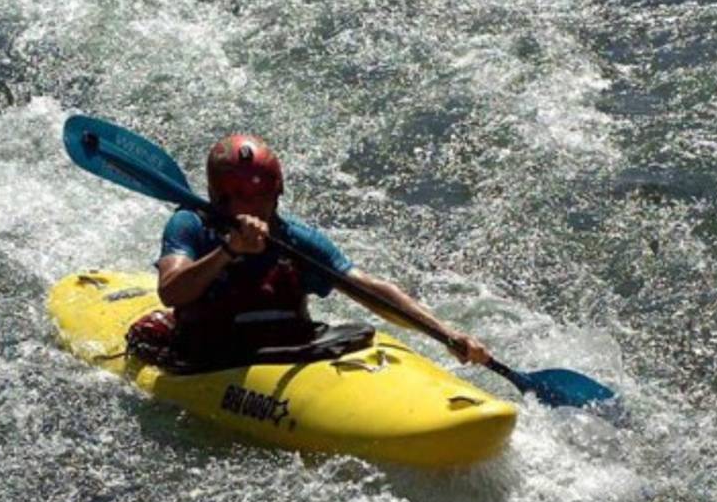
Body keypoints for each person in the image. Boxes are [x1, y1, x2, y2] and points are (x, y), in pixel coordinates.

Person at [152, 133, 491, 369]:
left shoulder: (296, 239)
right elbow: (171, 291)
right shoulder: (191, 226)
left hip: (289, 349)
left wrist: (446, 334)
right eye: (242, 198)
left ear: (278, 191)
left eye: (263, 197)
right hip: (209, 357)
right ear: (218, 197)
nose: (254, 208)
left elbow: (369, 288)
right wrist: (229, 250)